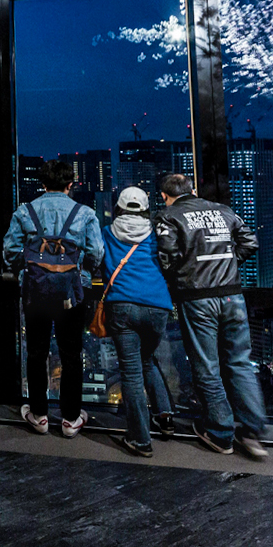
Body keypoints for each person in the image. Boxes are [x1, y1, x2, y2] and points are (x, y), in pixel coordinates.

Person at [154, 173, 269, 459]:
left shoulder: (168, 215)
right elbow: (250, 242)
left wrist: (189, 271)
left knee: (207, 366)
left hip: (198, 297)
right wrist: (228, 263)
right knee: (240, 361)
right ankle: (253, 430)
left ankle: (220, 433)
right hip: (233, 295)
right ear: (191, 190)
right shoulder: (223, 211)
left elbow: (166, 257)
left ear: (166, 196)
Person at [2, 159, 103, 437]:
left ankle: (39, 415)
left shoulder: (25, 211)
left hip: (35, 293)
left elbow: (10, 252)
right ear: (70, 184)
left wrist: (28, 270)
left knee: (36, 352)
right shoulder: (85, 213)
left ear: (42, 184)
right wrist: (82, 272)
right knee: (72, 354)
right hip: (72, 294)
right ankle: (70, 419)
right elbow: (96, 253)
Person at [100, 186, 176, 457]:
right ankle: (165, 417)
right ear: (146, 208)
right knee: (147, 360)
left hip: (121, 307)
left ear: (118, 207)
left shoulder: (107, 233)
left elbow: (96, 259)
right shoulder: (156, 234)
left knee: (131, 372)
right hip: (158, 306)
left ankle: (141, 440)